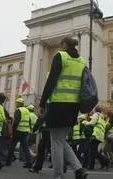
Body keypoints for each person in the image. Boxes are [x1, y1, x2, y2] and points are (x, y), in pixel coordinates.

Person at [39, 37, 87, 179]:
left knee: (56, 141)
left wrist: (42, 103)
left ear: (64, 45)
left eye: (61, 45)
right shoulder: (82, 61)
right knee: (61, 139)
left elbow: (52, 80)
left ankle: (58, 175)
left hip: (58, 104)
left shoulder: (61, 56)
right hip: (74, 106)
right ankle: (79, 169)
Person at [5, 97, 32, 168]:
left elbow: (16, 122)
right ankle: (29, 163)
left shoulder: (18, 110)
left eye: (16, 103)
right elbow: (29, 121)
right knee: (25, 148)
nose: (15, 104)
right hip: (25, 131)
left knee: (11, 147)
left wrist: (13, 131)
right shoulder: (27, 110)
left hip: (18, 131)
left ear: (19, 103)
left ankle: (8, 162)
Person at [82, 106, 109, 170]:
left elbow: (92, 123)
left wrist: (85, 122)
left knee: (93, 151)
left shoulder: (96, 115)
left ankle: (105, 161)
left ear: (96, 111)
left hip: (95, 135)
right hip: (100, 136)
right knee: (93, 151)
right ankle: (95, 165)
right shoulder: (102, 118)